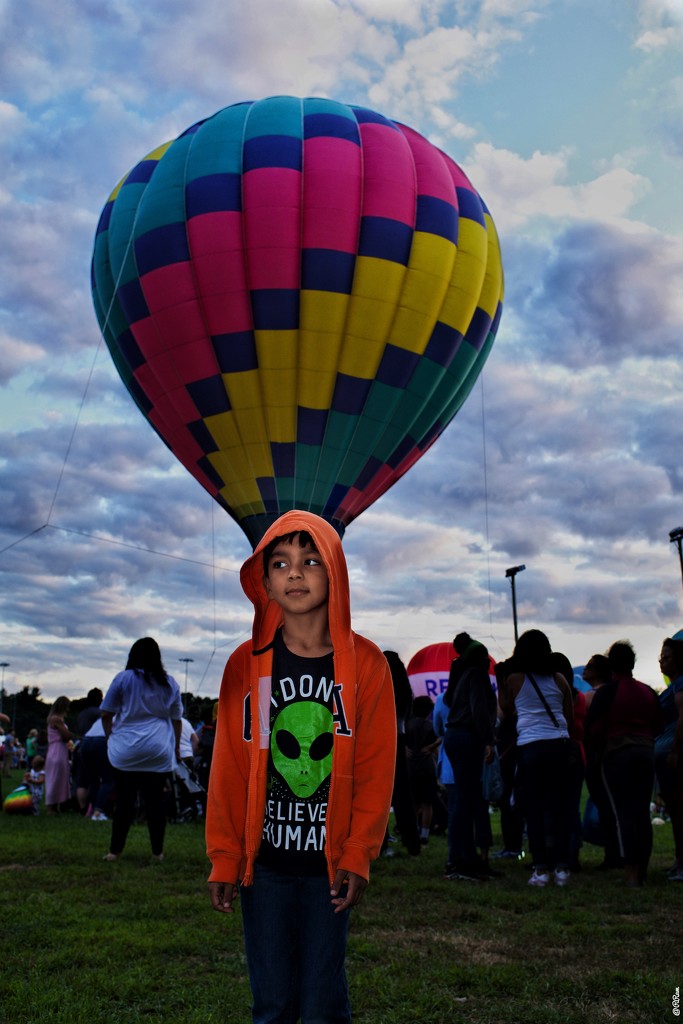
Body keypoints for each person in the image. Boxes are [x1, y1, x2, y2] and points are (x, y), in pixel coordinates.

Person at [206, 510, 396, 1024]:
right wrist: (226, 856)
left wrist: (358, 853)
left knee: (320, 1004)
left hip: (328, 869)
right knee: (272, 1004)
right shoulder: (245, 665)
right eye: (281, 562)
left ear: (334, 571)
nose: (295, 573)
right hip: (262, 867)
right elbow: (227, 766)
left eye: (311, 560)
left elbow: (378, 770)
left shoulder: (368, 666)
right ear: (263, 578)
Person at [498, 629, 574, 887]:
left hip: (531, 747)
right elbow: (569, 718)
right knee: (560, 809)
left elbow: (507, 710)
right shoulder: (560, 679)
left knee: (535, 810)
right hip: (559, 746)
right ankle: (562, 869)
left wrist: (501, 681)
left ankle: (541, 870)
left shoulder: (514, 679)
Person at [584, 641, 663, 887]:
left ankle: (630, 873)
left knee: (623, 814)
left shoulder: (608, 692)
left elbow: (592, 729)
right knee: (641, 813)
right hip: (646, 751)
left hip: (617, 753)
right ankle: (642, 870)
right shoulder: (648, 691)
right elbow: (658, 724)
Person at [100, 637, 183, 862]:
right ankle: (158, 852)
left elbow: (106, 713)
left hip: (125, 751)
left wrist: (111, 738)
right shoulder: (170, 683)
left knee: (124, 803)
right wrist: (175, 748)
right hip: (158, 752)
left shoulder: (123, 679)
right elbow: (177, 720)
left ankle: (114, 851)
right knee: (155, 803)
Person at [442, 639, 497, 880]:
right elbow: (479, 708)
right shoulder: (476, 674)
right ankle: (457, 861)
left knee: (467, 798)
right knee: (465, 801)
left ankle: (468, 856)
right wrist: (488, 739)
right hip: (468, 737)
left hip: (455, 737)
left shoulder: (461, 676)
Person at [383, 650, 421, 857]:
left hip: (381, 741)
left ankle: (382, 843)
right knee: (403, 796)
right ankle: (412, 843)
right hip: (400, 739)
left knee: (379, 795)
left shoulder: (380, 686)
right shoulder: (405, 692)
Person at [655, 637, 683, 881]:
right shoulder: (673, 686)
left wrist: (675, 750)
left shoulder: (680, 685)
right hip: (666, 755)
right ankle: (679, 861)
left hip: (674, 756)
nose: (662, 661)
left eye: (667, 656)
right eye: (661, 657)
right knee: (675, 812)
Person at [404, 695, 440, 846]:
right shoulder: (431, 726)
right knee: (427, 803)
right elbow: (441, 737)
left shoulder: (407, 725)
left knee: (414, 802)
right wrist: (431, 747)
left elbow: (399, 739)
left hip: (411, 767)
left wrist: (405, 749)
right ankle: (424, 835)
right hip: (427, 767)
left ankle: (413, 831)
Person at [45, 696, 75, 813]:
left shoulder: (52, 718)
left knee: (57, 778)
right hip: (58, 750)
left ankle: (54, 805)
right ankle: (51, 807)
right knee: (56, 778)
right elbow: (66, 735)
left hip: (56, 749)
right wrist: (71, 735)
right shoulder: (57, 719)